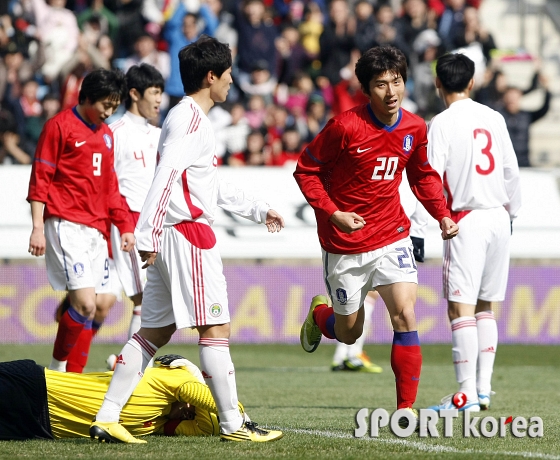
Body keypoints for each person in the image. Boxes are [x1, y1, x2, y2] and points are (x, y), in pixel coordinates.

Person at [91, 36, 285, 444]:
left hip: (171, 235)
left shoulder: (188, 118)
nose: (233, 81)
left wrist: (256, 208)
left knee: (152, 333)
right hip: (187, 236)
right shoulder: (191, 120)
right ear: (211, 76)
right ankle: (234, 423)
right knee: (216, 327)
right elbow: (163, 179)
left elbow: (205, 184)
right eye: (228, 73)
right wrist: (147, 232)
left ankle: (107, 416)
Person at [293, 45, 459, 425]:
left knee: (404, 312)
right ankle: (321, 317)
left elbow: (422, 176)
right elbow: (306, 171)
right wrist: (334, 214)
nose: (391, 91)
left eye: (397, 81)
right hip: (345, 245)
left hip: (392, 234)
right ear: (366, 90)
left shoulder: (415, 127)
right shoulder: (344, 126)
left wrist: (442, 216)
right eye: (380, 84)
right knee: (350, 334)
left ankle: (405, 411)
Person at [426, 53, 521, 412]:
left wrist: (425, 225)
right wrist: (513, 214)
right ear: (471, 82)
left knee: (459, 308)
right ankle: (482, 390)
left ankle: (464, 395)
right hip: (500, 217)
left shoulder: (442, 122)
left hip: (464, 219)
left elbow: (430, 178)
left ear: (438, 83)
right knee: (486, 307)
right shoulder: (494, 117)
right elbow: (511, 170)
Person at [27, 68, 135, 373]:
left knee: (99, 305)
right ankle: (57, 371)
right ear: (85, 97)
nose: (109, 112)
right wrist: (37, 227)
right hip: (66, 225)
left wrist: (124, 226)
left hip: (95, 231)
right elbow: (41, 179)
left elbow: (110, 188)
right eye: (105, 105)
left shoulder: (107, 136)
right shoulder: (59, 127)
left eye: (115, 106)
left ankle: (71, 374)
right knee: (86, 304)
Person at [0, 355, 247, 440]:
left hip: (37, 427)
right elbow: (222, 404)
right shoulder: (163, 379)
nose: (188, 411)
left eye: (190, 414)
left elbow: (207, 427)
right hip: (35, 387)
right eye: (190, 406)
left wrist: (194, 411)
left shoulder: (158, 426)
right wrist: (243, 418)